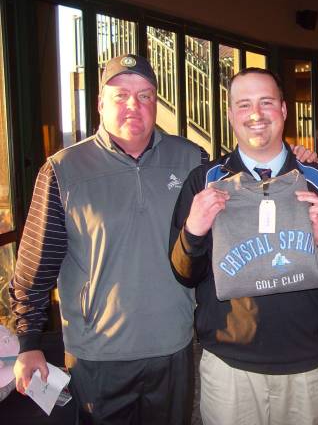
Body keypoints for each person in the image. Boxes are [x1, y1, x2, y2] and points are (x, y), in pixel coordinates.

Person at [9, 54, 208, 424]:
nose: (134, 105)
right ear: (101, 103)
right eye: (121, 95)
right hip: (97, 356)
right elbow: (36, 265)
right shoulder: (63, 170)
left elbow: (239, 193)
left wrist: (293, 160)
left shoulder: (191, 159)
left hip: (173, 346)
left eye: (146, 95)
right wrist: (28, 343)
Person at [169, 67, 318, 425]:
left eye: (266, 102)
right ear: (231, 114)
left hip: (303, 364)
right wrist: (194, 230)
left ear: (283, 110)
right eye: (244, 104)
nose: (256, 114)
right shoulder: (205, 181)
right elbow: (183, 272)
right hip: (229, 366)